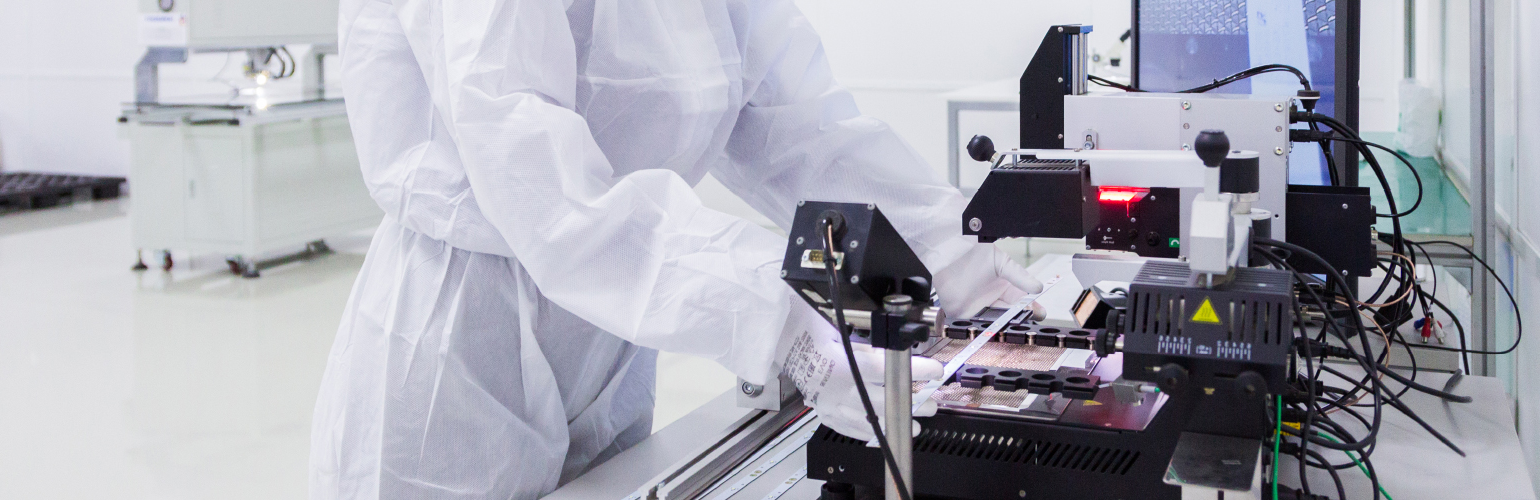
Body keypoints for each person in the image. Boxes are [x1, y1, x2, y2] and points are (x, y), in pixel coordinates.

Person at [309, 0, 1040, 498]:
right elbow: (542, 191)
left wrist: (943, 251)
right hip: (461, 340)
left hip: (609, 330)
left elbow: (797, 131)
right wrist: (783, 322)